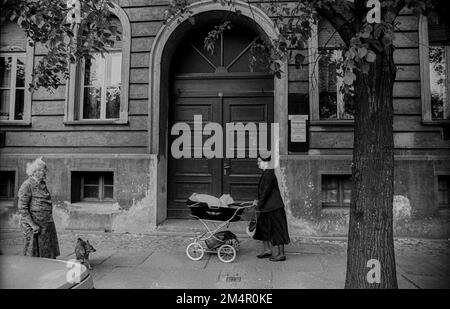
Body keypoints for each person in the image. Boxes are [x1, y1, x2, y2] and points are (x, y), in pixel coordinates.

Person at [18, 157, 60, 259]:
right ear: (34, 172)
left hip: (46, 224)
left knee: (47, 251)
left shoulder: (42, 183)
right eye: (42, 170)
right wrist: (32, 225)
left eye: (45, 170)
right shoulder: (27, 185)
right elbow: (22, 207)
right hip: (35, 225)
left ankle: (47, 268)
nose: (45, 172)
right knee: (33, 253)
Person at [253, 155, 290, 261]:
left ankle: (281, 254)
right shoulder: (266, 173)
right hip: (267, 207)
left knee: (277, 230)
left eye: (259, 161)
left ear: (266, 162)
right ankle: (267, 250)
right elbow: (263, 192)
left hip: (274, 207)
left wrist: (259, 203)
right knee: (263, 228)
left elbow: (266, 191)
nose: (258, 163)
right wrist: (259, 201)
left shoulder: (269, 174)